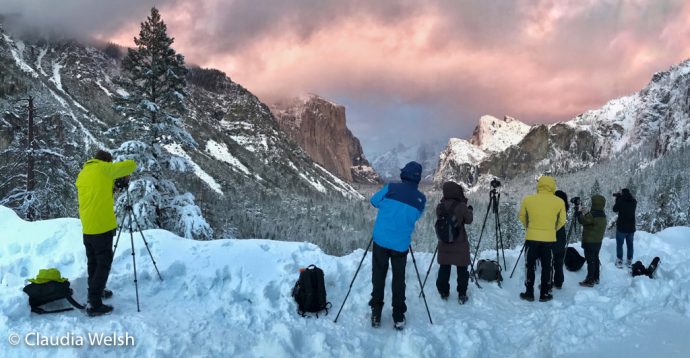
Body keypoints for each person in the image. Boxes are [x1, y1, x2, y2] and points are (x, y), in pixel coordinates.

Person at [75, 150, 136, 316]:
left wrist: (114, 187)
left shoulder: (84, 173)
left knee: (93, 262)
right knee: (103, 264)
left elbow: (99, 194)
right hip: (102, 227)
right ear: (107, 162)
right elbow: (131, 165)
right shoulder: (104, 168)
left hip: (88, 227)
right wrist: (122, 172)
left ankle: (97, 291)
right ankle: (94, 303)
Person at [369, 161, 426, 330]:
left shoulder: (391, 188)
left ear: (404, 174)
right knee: (399, 279)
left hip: (381, 240)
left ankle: (376, 313)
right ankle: (398, 316)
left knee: (378, 275)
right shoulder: (421, 199)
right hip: (401, 244)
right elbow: (416, 216)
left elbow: (374, 201)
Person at [518, 176, 566, 302]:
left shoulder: (528, 200)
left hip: (531, 238)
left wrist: (529, 227)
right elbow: (562, 221)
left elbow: (522, 216)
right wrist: (552, 230)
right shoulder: (559, 202)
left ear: (539, 185)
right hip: (549, 239)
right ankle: (544, 293)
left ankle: (529, 292)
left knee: (530, 265)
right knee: (547, 266)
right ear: (552, 185)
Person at [435, 181, 474, 304]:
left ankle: (444, 292)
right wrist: (469, 210)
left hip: (444, 243)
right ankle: (462, 294)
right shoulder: (461, 206)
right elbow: (468, 220)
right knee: (462, 270)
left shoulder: (440, 207)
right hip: (460, 243)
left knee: (444, 268)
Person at [578, 195, 607, 287]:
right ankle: (596, 277)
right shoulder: (602, 214)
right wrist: (586, 214)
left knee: (590, 261)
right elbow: (592, 222)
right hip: (598, 242)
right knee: (595, 259)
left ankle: (590, 280)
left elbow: (583, 221)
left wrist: (579, 213)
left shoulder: (593, 214)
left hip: (589, 241)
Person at [613, 188, 637, 268]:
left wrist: (618, 198)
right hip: (631, 228)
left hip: (621, 228)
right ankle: (629, 261)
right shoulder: (634, 202)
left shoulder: (620, 201)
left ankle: (619, 260)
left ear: (622, 194)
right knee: (630, 245)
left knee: (620, 245)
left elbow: (614, 209)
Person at [552, 190, 569, 290]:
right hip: (562, 236)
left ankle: (548, 283)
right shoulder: (564, 208)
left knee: (549, 261)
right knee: (558, 261)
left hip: (552, 235)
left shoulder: (554, 208)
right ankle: (559, 282)